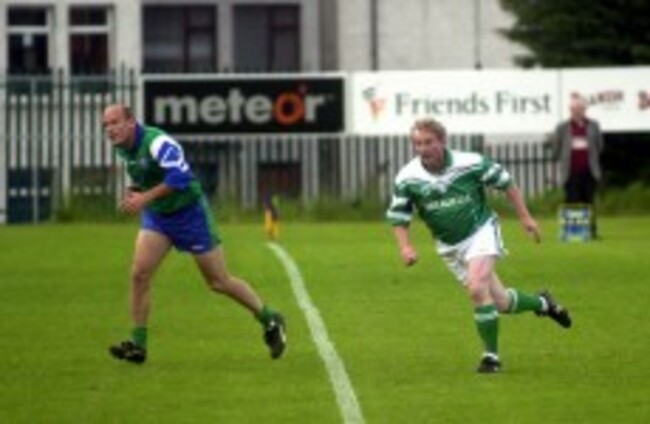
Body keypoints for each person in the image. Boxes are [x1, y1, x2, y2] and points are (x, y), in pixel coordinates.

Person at [102, 104, 286, 364]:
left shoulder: (157, 142)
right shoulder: (123, 147)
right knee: (139, 274)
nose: (109, 129)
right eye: (106, 125)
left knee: (218, 281)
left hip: (190, 215)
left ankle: (270, 319)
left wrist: (145, 197)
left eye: (114, 122)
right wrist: (138, 191)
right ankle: (138, 345)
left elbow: (180, 177)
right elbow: (150, 176)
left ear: (131, 122)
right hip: (159, 217)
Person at [386, 118, 571, 374]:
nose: (423, 148)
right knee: (501, 302)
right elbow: (399, 216)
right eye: (418, 144)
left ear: (442, 141)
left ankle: (491, 357)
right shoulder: (407, 177)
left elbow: (506, 182)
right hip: (449, 246)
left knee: (476, 288)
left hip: (481, 232)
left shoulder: (470, 163)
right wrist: (405, 247)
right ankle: (544, 304)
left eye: (428, 142)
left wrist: (525, 217)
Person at [550, 94, 604, 237]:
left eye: (580, 108)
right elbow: (556, 147)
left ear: (585, 109)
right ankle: (571, 231)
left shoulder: (593, 125)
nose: (577, 111)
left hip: (589, 171)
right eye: (574, 109)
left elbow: (599, 145)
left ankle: (591, 231)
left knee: (589, 201)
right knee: (571, 201)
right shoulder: (562, 127)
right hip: (570, 171)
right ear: (570, 110)